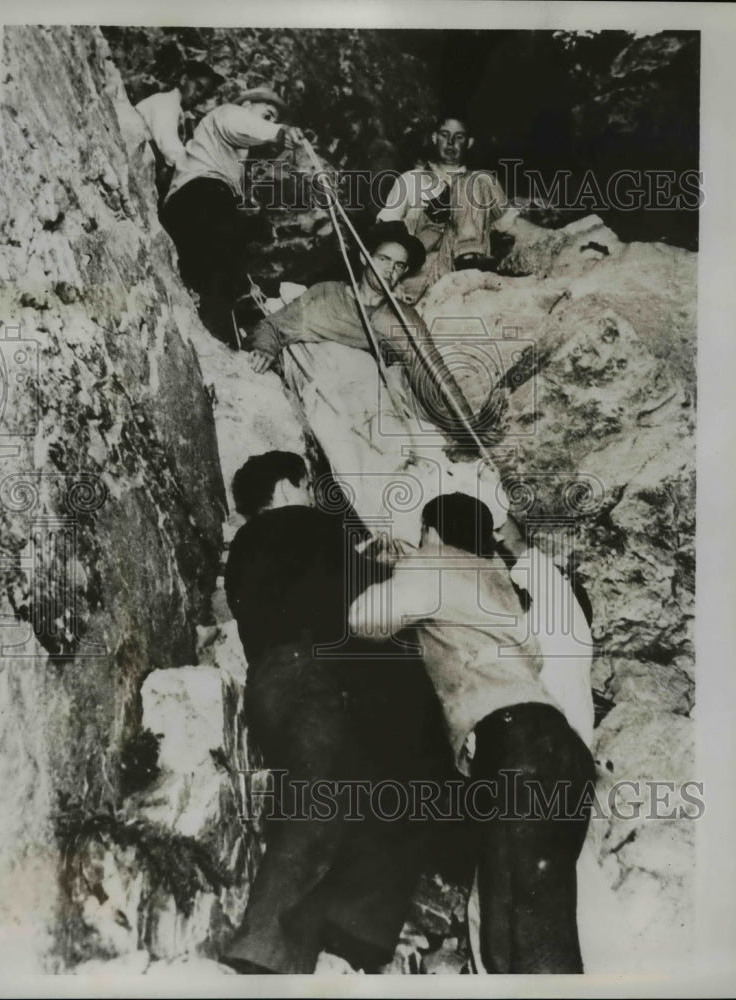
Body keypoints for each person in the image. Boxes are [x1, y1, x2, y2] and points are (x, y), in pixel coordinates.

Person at [222, 451, 453, 974]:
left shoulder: (241, 552)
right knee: (334, 798)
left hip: (270, 684)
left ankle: (324, 941)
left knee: (332, 792)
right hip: (317, 676)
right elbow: (363, 600)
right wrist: (390, 564)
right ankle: (272, 953)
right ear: (285, 488)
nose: (309, 495)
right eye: (305, 485)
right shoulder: (307, 524)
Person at [348, 493, 596, 973]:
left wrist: (393, 566)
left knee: (526, 936)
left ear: (434, 534)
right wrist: (408, 558)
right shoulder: (495, 578)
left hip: (515, 749)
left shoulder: (432, 561)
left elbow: (365, 617)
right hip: (551, 749)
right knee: (515, 931)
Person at [243, 220, 509, 549]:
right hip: (330, 397)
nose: (390, 270)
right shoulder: (326, 298)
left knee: (420, 453)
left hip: (375, 394)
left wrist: (467, 428)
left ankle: (472, 526)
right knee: (360, 470)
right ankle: (405, 542)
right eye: (383, 259)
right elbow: (272, 328)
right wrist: (264, 350)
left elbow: (432, 374)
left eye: (399, 265)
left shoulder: (399, 316)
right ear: (364, 258)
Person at [160, 87, 305, 342]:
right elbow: (241, 125)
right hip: (199, 197)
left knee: (223, 260)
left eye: (272, 118)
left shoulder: (231, 152)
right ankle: (220, 328)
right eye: (267, 113)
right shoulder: (229, 114)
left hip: (192, 206)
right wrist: (278, 131)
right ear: (248, 104)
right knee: (225, 252)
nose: (267, 120)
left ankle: (216, 322)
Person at [377, 114, 519, 302]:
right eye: (445, 135)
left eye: (459, 137)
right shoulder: (410, 180)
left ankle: (468, 254)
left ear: (469, 142)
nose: (451, 142)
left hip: (470, 268)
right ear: (435, 138)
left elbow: (509, 229)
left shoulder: (484, 183)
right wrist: (429, 218)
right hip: (422, 263)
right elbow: (385, 232)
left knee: (472, 182)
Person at [135, 59, 224, 205]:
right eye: (198, 87)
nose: (198, 95)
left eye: (204, 93)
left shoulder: (180, 112)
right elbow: (170, 148)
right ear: (183, 80)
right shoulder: (166, 103)